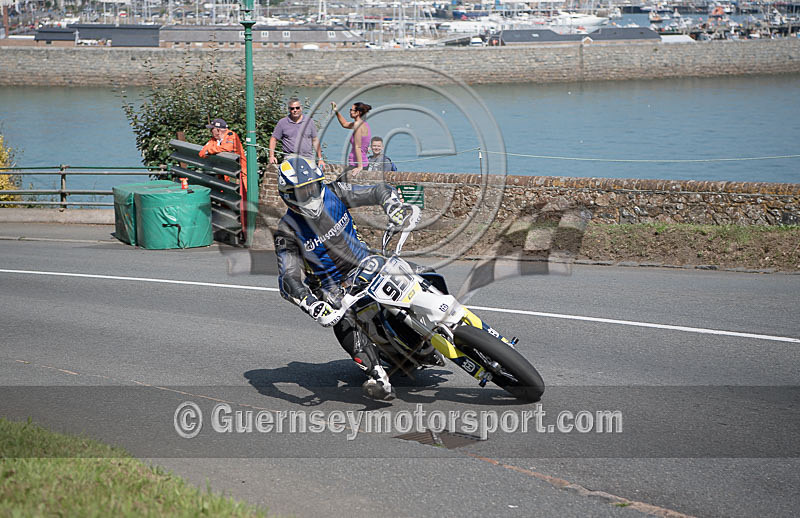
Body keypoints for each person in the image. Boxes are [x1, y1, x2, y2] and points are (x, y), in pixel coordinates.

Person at [274, 156, 414, 400]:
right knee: (341, 318)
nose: (309, 195)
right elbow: (288, 278)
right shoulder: (287, 231)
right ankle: (377, 375)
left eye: (313, 187)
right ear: (287, 195)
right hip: (331, 285)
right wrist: (311, 304)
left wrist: (392, 206)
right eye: (301, 192)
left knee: (416, 274)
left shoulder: (335, 192)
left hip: (366, 262)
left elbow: (378, 190)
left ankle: (459, 322)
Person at [199, 118, 248, 232]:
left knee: (242, 202)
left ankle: (245, 230)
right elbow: (202, 153)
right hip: (225, 176)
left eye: (212, 129)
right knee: (226, 201)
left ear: (218, 130)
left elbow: (228, 147)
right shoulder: (213, 140)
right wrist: (213, 150)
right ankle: (230, 227)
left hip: (239, 175)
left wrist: (211, 151)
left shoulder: (231, 135)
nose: (211, 132)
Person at [269, 98, 325, 168]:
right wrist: (271, 156)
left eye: (297, 108)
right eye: (292, 108)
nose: (295, 110)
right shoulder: (282, 122)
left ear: (301, 108)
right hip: (290, 157)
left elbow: (315, 140)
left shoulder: (309, 122)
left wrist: (320, 159)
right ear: (289, 110)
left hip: (308, 157)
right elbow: (273, 139)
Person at [331, 101, 371, 177]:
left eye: (352, 110)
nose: (350, 111)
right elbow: (344, 124)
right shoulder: (362, 123)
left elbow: (358, 147)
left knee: (338, 183)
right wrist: (336, 110)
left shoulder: (357, 125)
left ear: (358, 112)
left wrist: (359, 167)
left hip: (357, 165)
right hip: (358, 163)